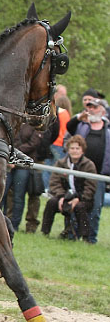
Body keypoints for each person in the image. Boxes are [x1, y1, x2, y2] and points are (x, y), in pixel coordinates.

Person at [65, 90, 110, 243]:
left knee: (95, 208)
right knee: (76, 204)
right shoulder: (82, 126)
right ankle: (73, 234)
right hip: (79, 173)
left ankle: (90, 238)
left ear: (102, 111)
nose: (90, 110)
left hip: (99, 175)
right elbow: (68, 126)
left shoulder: (108, 130)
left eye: (94, 107)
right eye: (89, 107)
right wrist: (79, 117)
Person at [41, 135, 97, 241]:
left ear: (82, 150)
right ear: (68, 149)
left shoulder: (89, 165)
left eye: (77, 148)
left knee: (80, 207)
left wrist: (78, 199)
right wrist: (61, 197)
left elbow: (91, 186)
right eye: (72, 148)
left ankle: (85, 238)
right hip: (64, 196)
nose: (74, 151)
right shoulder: (61, 163)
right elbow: (54, 182)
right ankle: (45, 232)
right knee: (51, 203)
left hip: (83, 199)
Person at [1, 124, 42, 233]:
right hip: (8, 162)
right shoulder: (15, 121)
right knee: (2, 194)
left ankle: (14, 225)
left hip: (23, 165)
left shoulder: (34, 125)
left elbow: (34, 143)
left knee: (18, 196)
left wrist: (15, 154)